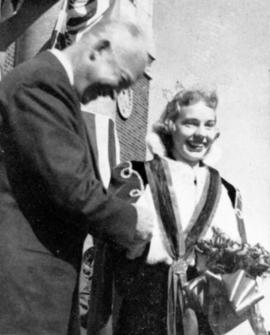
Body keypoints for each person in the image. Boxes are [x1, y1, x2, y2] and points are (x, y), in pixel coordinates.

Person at [0, 17, 154, 335]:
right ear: (98, 48)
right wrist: (135, 222)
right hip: (23, 287)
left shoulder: (55, 90)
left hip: (37, 285)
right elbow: (71, 188)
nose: (114, 94)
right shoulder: (42, 84)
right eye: (121, 80)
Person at [94, 88, 268, 335]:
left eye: (208, 125)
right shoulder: (135, 177)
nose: (200, 134)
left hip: (204, 320)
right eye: (190, 123)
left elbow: (240, 280)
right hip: (144, 312)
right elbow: (108, 259)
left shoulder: (227, 193)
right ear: (170, 125)